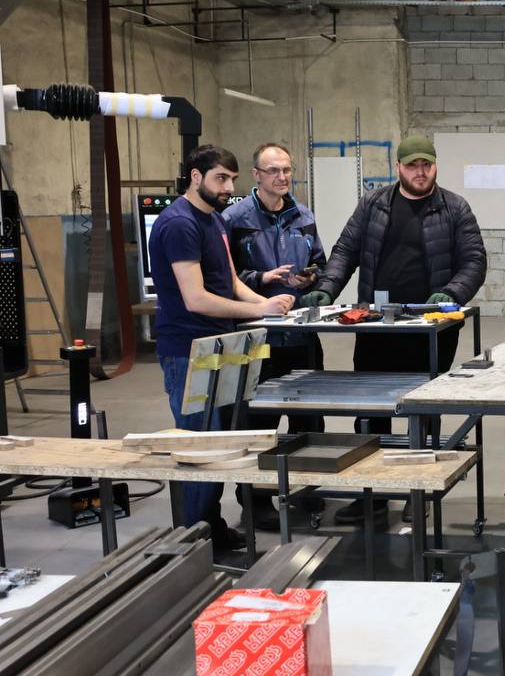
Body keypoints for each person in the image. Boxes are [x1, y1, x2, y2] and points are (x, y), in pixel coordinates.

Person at [299, 134, 487, 524]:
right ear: (398, 167)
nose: (420, 172)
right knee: (370, 412)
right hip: (377, 325)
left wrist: (452, 293)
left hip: (430, 328)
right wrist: (327, 289)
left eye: (426, 165)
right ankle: (372, 496)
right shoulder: (373, 204)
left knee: (424, 410)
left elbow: (474, 260)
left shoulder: (455, 208)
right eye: (412, 165)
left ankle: (419, 491)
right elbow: (345, 251)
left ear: (435, 166)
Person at [149, 144, 294, 555]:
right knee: (200, 448)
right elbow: (195, 298)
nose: (229, 188)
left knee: (220, 443)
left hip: (220, 346)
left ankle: (210, 528)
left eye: (232, 179)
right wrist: (260, 309)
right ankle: (193, 543)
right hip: (188, 351)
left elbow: (229, 282)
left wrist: (272, 307)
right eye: (221, 179)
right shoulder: (179, 224)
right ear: (195, 177)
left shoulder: (214, 219)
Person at [224, 142, 328, 531]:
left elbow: (320, 262)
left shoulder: (303, 215)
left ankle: (306, 488)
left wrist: (310, 277)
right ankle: (255, 500)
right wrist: (262, 278)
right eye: (273, 171)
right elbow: (222, 276)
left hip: (301, 334)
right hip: (256, 338)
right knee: (256, 422)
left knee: (309, 420)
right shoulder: (234, 218)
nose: (282, 177)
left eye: (286, 170)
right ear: (256, 175)